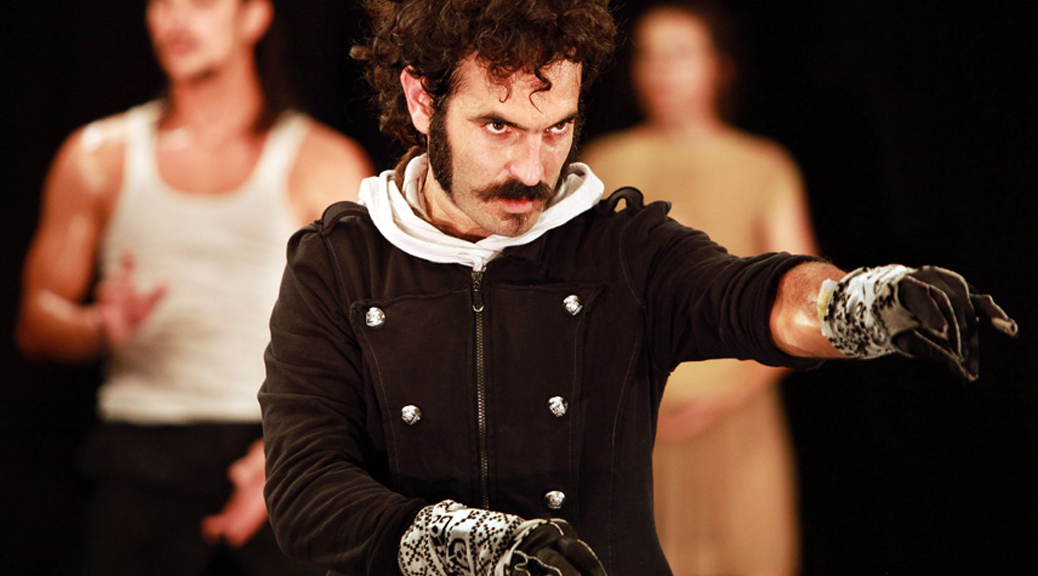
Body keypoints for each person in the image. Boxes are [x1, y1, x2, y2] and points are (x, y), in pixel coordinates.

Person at [257, 1, 1017, 575]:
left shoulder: (620, 247)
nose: (531, 171)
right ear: (423, 101)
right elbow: (305, 492)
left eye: (556, 128)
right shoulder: (337, 265)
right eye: (498, 128)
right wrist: (476, 548)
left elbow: (751, 297)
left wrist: (860, 305)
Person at [15, 0, 373, 574]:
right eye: (163, 4)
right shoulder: (98, 157)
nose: (176, 20)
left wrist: (287, 454)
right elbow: (35, 321)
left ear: (253, 16)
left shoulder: (323, 162)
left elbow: (371, 339)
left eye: (202, 3)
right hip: (140, 453)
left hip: (275, 445)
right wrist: (98, 327)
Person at [579, 3, 816, 573]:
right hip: (633, 422)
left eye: (681, 54)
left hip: (735, 417)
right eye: (650, 54)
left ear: (719, 67)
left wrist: (721, 400)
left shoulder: (762, 165)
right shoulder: (603, 162)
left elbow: (806, 308)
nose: (662, 70)